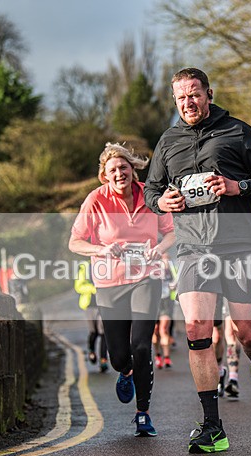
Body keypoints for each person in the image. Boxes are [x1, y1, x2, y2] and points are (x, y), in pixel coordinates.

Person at [144, 67, 251, 454]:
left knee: (246, 333)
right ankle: (212, 427)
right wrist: (161, 202)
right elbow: (151, 190)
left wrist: (238, 186)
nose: (188, 102)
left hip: (238, 243)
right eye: (181, 97)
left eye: (194, 94)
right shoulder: (168, 141)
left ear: (209, 94)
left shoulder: (237, 131)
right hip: (191, 247)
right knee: (195, 328)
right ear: (175, 101)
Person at [69, 142, 175, 437]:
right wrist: (103, 249)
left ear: (132, 169)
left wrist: (158, 249)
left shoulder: (149, 195)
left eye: (124, 167)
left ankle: (143, 414)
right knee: (118, 355)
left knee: (142, 346)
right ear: (104, 175)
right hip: (109, 282)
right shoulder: (95, 200)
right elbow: (75, 242)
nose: (120, 173)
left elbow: (171, 232)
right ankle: (125, 372)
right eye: (113, 169)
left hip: (146, 277)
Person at [75, 260, 109, 371]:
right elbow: (78, 286)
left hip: (103, 304)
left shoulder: (106, 263)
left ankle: (103, 360)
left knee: (103, 332)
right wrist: (93, 289)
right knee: (93, 332)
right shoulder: (84, 266)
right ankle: (91, 351)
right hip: (89, 305)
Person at [153, 251, 177, 370]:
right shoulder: (152, 267)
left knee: (163, 329)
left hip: (167, 301)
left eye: (167, 257)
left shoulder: (171, 268)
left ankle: (167, 357)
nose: (165, 260)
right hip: (154, 302)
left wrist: (174, 285)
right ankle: (157, 355)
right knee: (155, 331)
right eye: (163, 257)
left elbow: (177, 281)